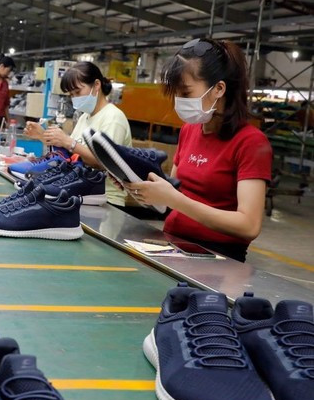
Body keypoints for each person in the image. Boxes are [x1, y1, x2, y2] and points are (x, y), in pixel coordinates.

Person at [125, 38, 272, 262]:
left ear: (219, 89)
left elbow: (249, 225)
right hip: (173, 246)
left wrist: (175, 200)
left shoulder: (251, 143)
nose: (178, 101)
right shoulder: (189, 131)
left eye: (186, 93)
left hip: (217, 258)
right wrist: (142, 190)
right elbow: (171, 197)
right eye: (175, 93)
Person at [24, 61, 131, 207]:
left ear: (97, 85)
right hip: (83, 193)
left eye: (78, 92)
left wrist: (68, 142)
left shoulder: (113, 117)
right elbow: (72, 158)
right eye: (71, 94)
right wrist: (44, 137)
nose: (75, 98)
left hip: (107, 200)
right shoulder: (84, 117)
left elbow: (103, 164)